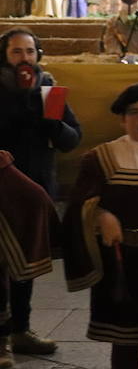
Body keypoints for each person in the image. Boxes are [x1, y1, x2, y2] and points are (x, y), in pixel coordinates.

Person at [63, 83, 138, 369]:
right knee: (123, 340)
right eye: (134, 113)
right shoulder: (102, 159)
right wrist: (99, 215)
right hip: (119, 262)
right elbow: (76, 207)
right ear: (122, 120)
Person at [0, 28, 82, 357]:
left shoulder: (49, 90)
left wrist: (56, 127)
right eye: (17, 52)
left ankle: (21, 331)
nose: (25, 59)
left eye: (30, 52)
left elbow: (73, 138)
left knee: (25, 266)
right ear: (5, 56)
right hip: (3, 189)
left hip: (35, 190)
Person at [0, 150, 59, 369]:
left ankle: (18, 331)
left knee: (16, 262)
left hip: (27, 168)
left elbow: (69, 134)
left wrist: (55, 127)